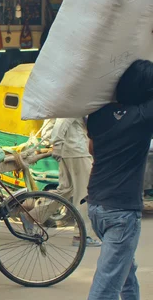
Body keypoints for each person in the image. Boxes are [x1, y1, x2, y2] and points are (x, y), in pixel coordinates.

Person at [86, 59, 153, 300]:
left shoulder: (97, 115)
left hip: (96, 206)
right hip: (122, 212)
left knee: (125, 270)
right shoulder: (144, 117)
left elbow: (93, 149)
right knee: (106, 287)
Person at [49, 118, 101, 246]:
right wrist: (56, 143)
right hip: (77, 151)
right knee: (85, 193)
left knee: (65, 190)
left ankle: (32, 216)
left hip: (70, 151)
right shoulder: (76, 99)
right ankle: (81, 235)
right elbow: (63, 119)